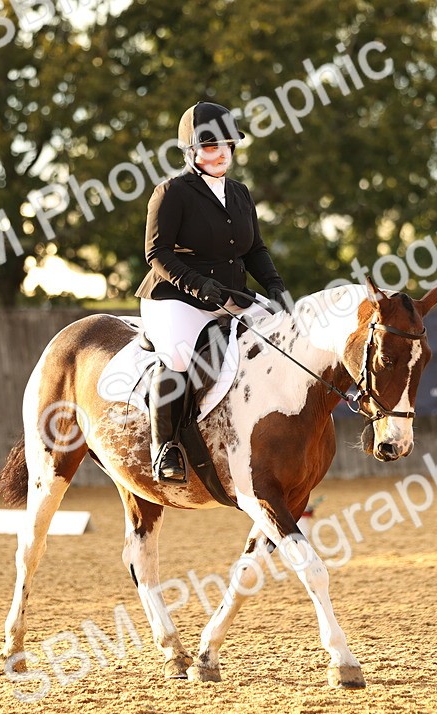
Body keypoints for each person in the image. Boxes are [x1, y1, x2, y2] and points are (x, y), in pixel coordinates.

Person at [134, 101, 294, 484]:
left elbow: (254, 249)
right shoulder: (171, 192)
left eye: (228, 145)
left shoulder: (240, 193)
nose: (221, 152)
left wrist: (274, 286)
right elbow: (156, 253)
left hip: (228, 297)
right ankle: (166, 448)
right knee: (177, 356)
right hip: (175, 298)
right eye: (210, 146)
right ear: (191, 150)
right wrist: (198, 285)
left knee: (279, 339)